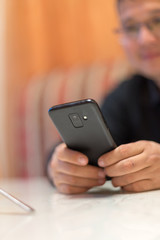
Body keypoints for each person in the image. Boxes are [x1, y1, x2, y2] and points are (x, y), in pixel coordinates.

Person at [47, 0, 160, 194]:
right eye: (131, 27)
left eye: (157, 20)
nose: (145, 39)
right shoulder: (129, 93)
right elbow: (87, 148)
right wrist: (59, 166)